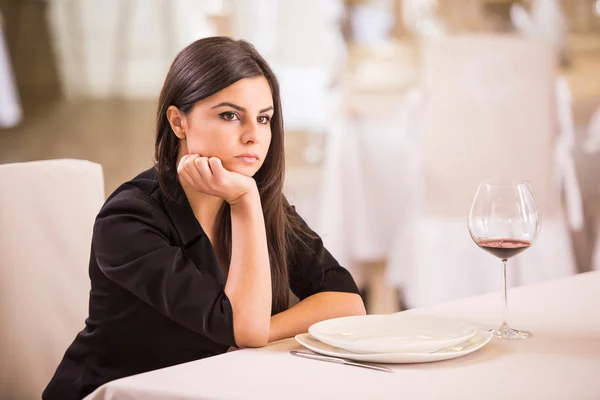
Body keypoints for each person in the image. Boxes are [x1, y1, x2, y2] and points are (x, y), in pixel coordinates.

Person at [42, 36, 365, 400]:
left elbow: (346, 301)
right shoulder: (128, 219)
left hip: (217, 388)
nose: (253, 136)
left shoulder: (265, 204)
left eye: (264, 118)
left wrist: (260, 329)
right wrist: (243, 201)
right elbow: (245, 329)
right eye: (230, 115)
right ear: (179, 122)